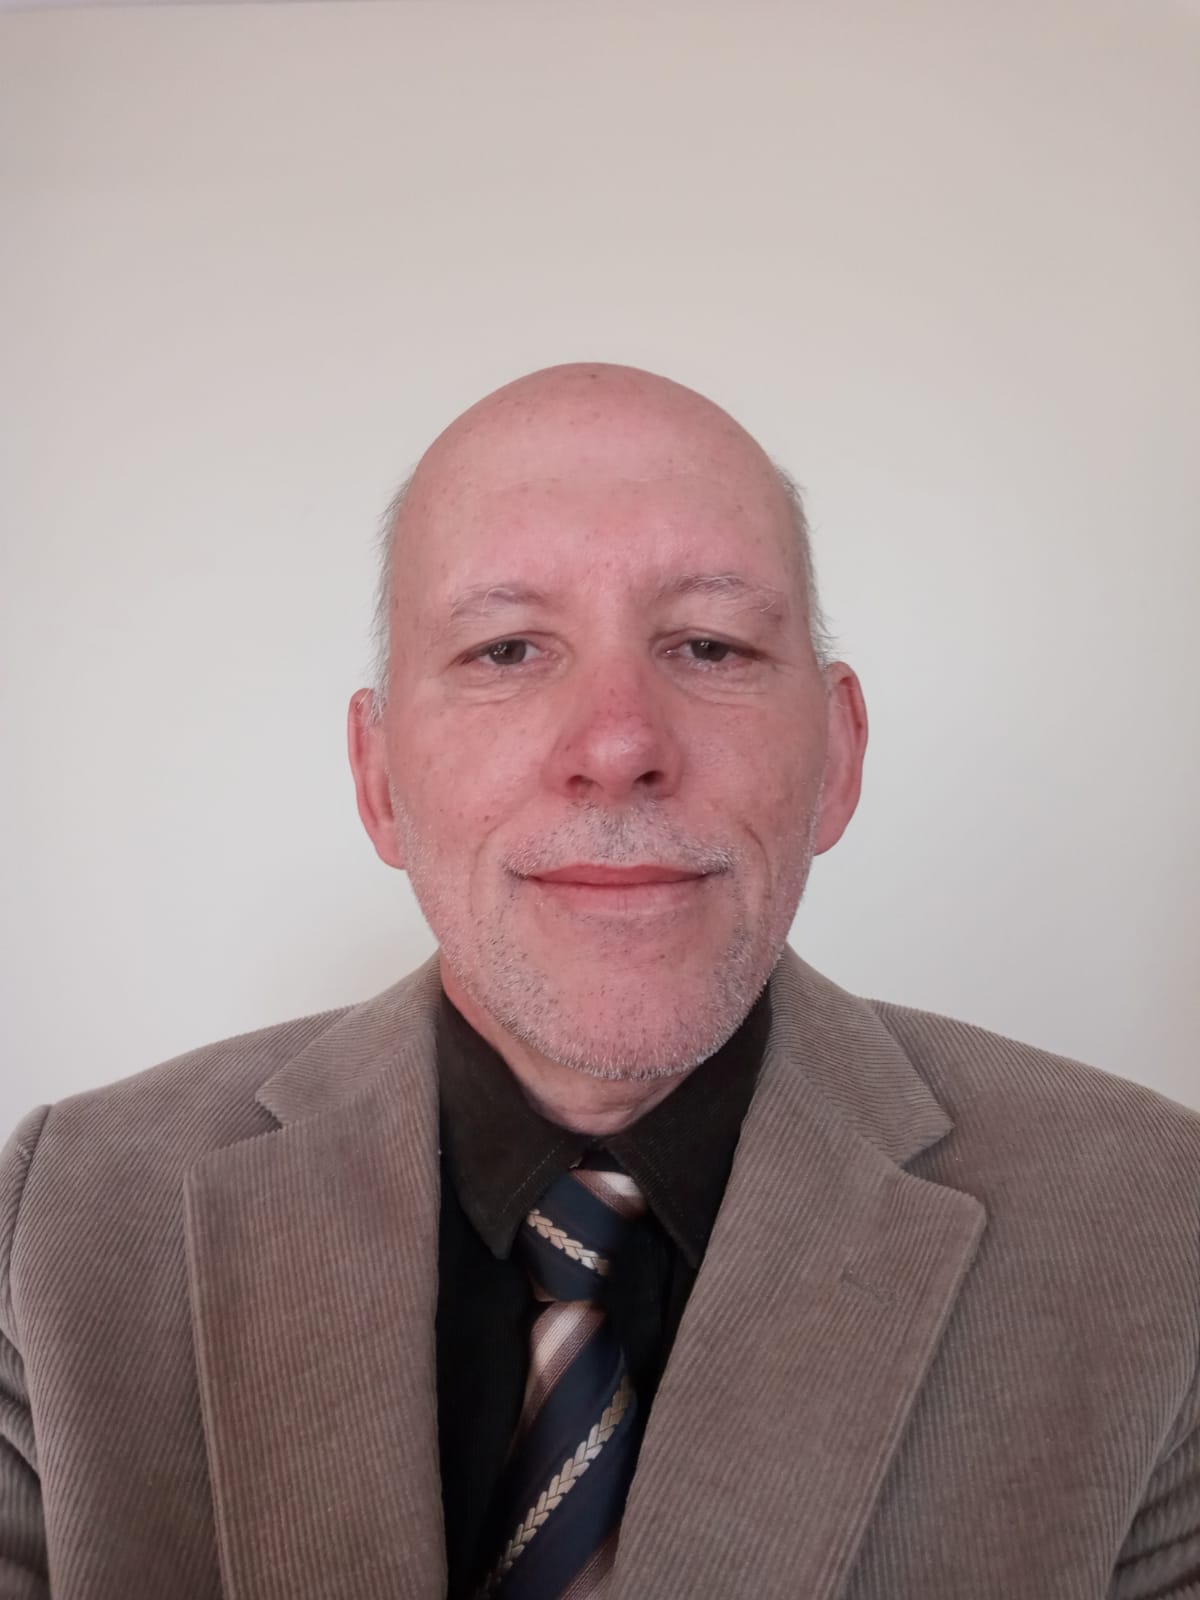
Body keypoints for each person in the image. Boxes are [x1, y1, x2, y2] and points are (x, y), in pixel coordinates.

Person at [1, 363, 1197, 1600]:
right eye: (508, 648)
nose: (619, 744)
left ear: (838, 755)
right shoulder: (60, 1225)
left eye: (711, 644)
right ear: (378, 778)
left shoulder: (1163, 1233)